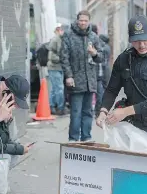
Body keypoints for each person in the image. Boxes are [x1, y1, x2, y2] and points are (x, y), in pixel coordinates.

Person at [96, 15, 147, 151]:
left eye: (145, 40)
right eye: (136, 41)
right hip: (131, 127)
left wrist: (125, 111)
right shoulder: (124, 59)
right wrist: (103, 111)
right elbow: (112, 89)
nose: (141, 45)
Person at [60, 10, 103, 142]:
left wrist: (94, 53)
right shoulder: (68, 35)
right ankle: (73, 138)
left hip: (90, 81)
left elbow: (101, 58)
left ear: (89, 21)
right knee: (76, 112)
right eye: (81, 20)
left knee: (88, 111)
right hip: (75, 81)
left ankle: (86, 137)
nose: (83, 22)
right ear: (77, 21)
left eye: (85, 20)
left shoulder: (94, 37)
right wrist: (68, 76)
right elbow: (64, 57)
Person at [47, 23, 67, 116]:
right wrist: (63, 59)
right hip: (54, 67)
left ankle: (51, 106)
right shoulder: (55, 40)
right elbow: (52, 56)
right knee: (59, 88)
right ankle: (60, 107)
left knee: (55, 88)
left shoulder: (63, 39)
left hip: (59, 67)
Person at [95, 34, 112, 118]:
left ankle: (99, 111)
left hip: (101, 72)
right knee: (104, 92)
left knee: (100, 93)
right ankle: (103, 110)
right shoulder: (107, 47)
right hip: (105, 71)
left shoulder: (103, 48)